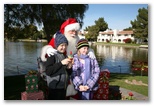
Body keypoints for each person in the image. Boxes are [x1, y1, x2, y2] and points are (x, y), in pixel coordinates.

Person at [45, 33, 73, 100]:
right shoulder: (52, 55)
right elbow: (48, 71)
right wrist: (61, 63)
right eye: (61, 45)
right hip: (54, 88)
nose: (64, 47)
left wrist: (69, 67)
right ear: (57, 45)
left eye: (65, 45)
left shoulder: (65, 56)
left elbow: (68, 73)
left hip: (63, 87)